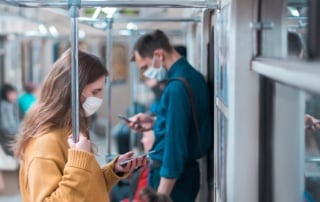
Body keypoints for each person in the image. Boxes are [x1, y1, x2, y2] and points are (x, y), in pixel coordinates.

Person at [13, 49, 148, 202]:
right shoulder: (44, 144)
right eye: (95, 92)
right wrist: (79, 161)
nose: (99, 99)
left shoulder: (71, 130)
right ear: (71, 92)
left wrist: (113, 171)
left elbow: (85, 189)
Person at [128, 29, 212, 202]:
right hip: (179, 176)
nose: (146, 73)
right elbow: (180, 124)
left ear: (158, 55)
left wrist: (161, 196)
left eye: (145, 67)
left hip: (171, 180)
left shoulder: (176, 88)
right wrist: (153, 122)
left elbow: (174, 148)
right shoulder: (190, 78)